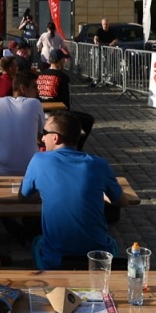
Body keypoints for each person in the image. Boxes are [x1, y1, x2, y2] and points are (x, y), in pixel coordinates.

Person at [20, 110, 123, 270]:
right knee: (111, 240)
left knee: (37, 241)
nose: (42, 138)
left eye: (45, 133)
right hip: (97, 257)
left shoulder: (39, 160)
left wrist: (47, 193)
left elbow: (24, 196)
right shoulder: (99, 164)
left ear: (55, 138)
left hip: (56, 259)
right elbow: (119, 200)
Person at [0, 71, 44, 173]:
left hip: (3, 167)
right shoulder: (35, 104)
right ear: (23, 88)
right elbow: (41, 137)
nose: (38, 91)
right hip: (30, 166)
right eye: (34, 87)